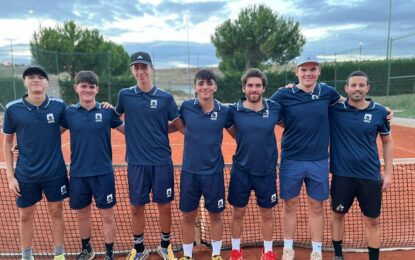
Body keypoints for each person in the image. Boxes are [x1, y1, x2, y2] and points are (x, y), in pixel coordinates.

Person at [270, 56, 342, 260]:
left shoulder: (328, 92)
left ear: (319, 71)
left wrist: (381, 110)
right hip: (291, 159)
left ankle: (317, 250)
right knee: (289, 204)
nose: (308, 73)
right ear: (297, 72)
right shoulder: (284, 93)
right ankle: (288, 248)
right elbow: (265, 111)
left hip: (318, 160)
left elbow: (350, 104)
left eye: (312, 69)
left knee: (316, 206)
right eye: (304, 70)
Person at [115, 51, 184, 260]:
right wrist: (131, 131)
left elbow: (179, 125)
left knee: (164, 206)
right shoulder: (124, 95)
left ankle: (165, 245)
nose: (140, 71)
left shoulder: (165, 97)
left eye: (144, 67)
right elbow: (114, 118)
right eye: (136, 67)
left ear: (151, 69)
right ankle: (139, 247)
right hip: (136, 162)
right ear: (132, 71)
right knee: (136, 207)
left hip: (161, 161)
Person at [2, 65, 68, 260]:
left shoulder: (59, 105)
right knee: (25, 215)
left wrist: (49, 135)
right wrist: (10, 176)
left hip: (54, 172)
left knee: (57, 211)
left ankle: (59, 255)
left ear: (47, 83)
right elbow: (7, 143)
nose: (36, 79)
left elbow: (70, 122)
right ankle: (26, 256)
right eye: (30, 77)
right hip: (25, 174)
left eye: (40, 77)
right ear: (25, 82)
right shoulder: (13, 109)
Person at [329, 71, 393, 260]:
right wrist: (291, 87)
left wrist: (388, 173)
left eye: (361, 85)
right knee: (337, 215)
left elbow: (387, 141)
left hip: (370, 176)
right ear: (346, 88)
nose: (357, 88)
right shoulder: (334, 110)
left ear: (367, 88)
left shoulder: (380, 112)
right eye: (354, 85)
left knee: (372, 220)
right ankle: (338, 255)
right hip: (342, 176)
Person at [61, 71, 125, 260]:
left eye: (91, 86)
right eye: (84, 86)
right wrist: (24, 144)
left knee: (107, 216)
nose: (87, 89)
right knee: (82, 215)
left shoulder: (107, 112)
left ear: (97, 89)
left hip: (103, 173)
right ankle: (87, 249)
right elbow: (50, 135)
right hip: (79, 174)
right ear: (76, 88)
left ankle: (109, 253)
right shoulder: (69, 113)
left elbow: (130, 131)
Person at [174, 69, 232, 260]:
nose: (205, 87)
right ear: (195, 87)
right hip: (190, 172)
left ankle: (216, 254)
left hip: (214, 172)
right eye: (200, 83)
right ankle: (188, 255)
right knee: (188, 216)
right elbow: (174, 126)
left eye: (209, 83)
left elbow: (238, 133)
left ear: (215, 86)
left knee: (215, 215)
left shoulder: (224, 111)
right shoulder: (186, 107)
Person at [228, 68, 282, 260]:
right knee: (238, 212)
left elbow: (289, 123)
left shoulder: (274, 108)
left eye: (258, 85)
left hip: (266, 171)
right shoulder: (233, 110)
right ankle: (236, 251)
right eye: (250, 85)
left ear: (263, 88)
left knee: (267, 213)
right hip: (241, 171)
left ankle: (267, 251)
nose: (254, 89)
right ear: (244, 88)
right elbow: (232, 130)